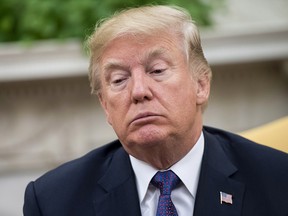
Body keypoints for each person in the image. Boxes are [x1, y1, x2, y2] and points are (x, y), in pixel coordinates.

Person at [23, 5, 288, 216]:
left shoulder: (278, 181)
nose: (139, 91)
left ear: (201, 84)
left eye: (157, 70)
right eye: (118, 80)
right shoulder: (52, 201)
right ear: (105, 105)